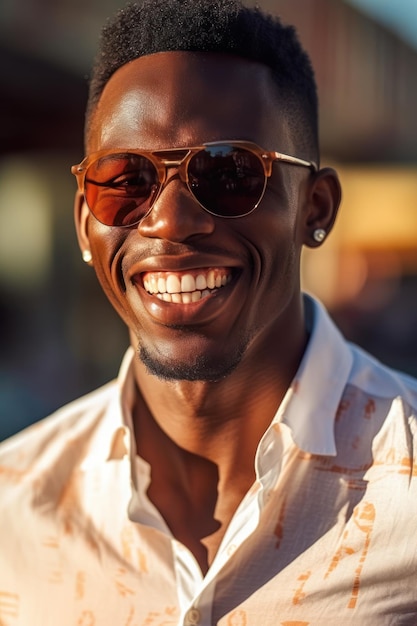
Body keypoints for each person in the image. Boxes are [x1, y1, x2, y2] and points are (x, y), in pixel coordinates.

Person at [1, 0, 416, 623]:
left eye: (228, 174)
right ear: (85, 226)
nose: (170, 221)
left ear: (316, 209)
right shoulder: (15, 508)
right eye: (124, 181)